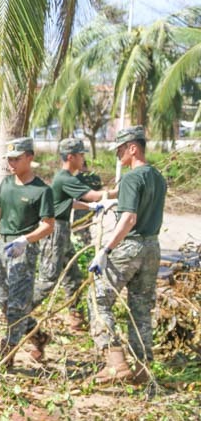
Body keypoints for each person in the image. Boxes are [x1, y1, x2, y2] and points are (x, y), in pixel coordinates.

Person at [86, 126, 166, 384]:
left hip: (130, 247)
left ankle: (115, 361)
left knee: (97, 298)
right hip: (152, 248)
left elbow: (130, 218)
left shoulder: (132, 177)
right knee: (141, 308)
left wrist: (106, 249)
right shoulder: (157, 176)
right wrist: (111, 202)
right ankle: (143, 367)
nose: (118, 154)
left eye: (120, 149)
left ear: (133, 148)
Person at [0, 137, 55, 369]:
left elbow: (48, 225)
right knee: (4, 300)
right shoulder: (6, 184)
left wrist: (25, 240)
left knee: (17, 306)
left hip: (23, 250)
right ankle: (37, 335)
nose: (12, 164)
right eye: (9, 159)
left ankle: (6, 356)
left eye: (17, 159)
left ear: (30, 157)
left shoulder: (41, 190)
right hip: (3, 246)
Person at [27, 138, 117, 334]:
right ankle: (20, 311)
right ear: (71, 157)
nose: (83, 159)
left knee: (73, 277)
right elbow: (93, 195)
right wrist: (120, 192)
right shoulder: (65, 178)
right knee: (48, 279)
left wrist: (89, 207)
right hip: (55, 231)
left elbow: (66, 203)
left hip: (63, 229)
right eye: (81, 155)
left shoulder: (65, 178)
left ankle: (76, 318)